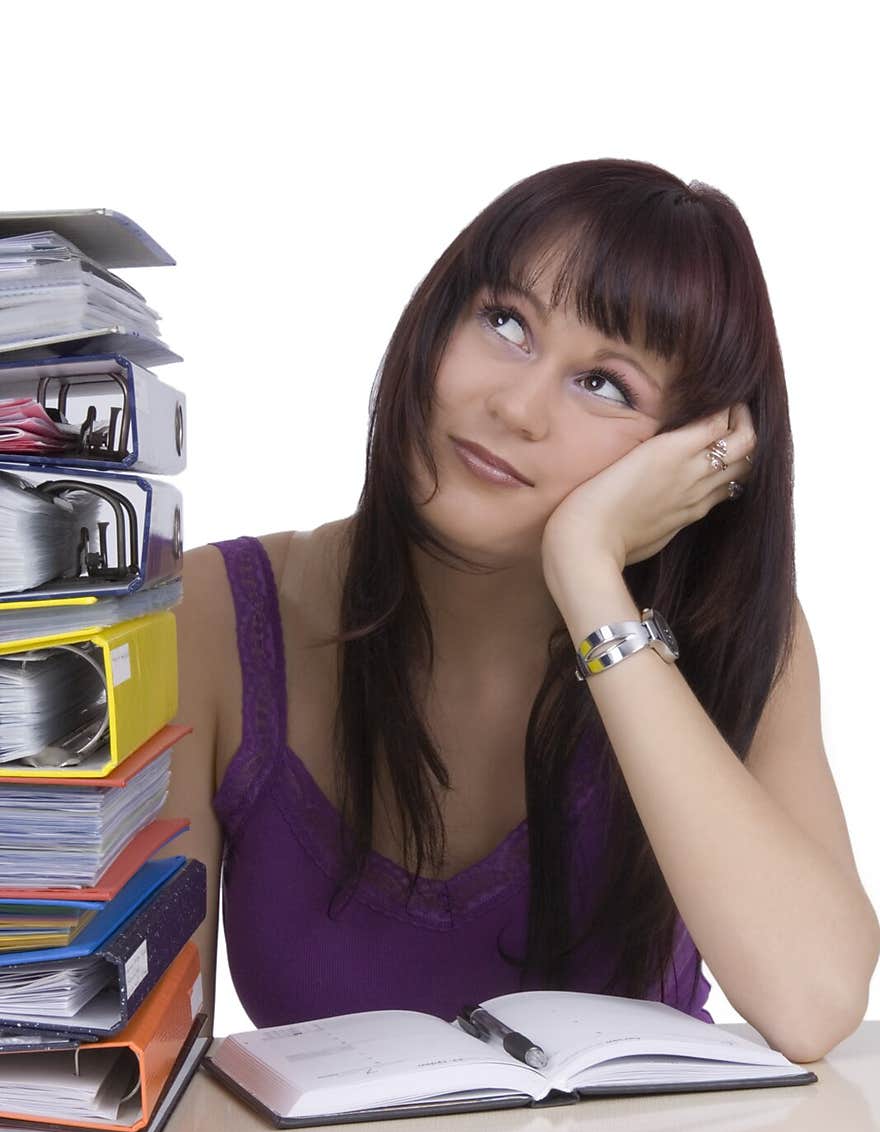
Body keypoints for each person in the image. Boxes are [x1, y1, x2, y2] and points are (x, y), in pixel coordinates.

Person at [159, 157, 879, 1063]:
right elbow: (131, 1064)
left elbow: (814, 1002)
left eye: (606, 384)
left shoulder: (731, 636)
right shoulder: (211, 620)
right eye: (506, 323)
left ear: (695, 453)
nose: (515, 407)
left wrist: (589, 574)